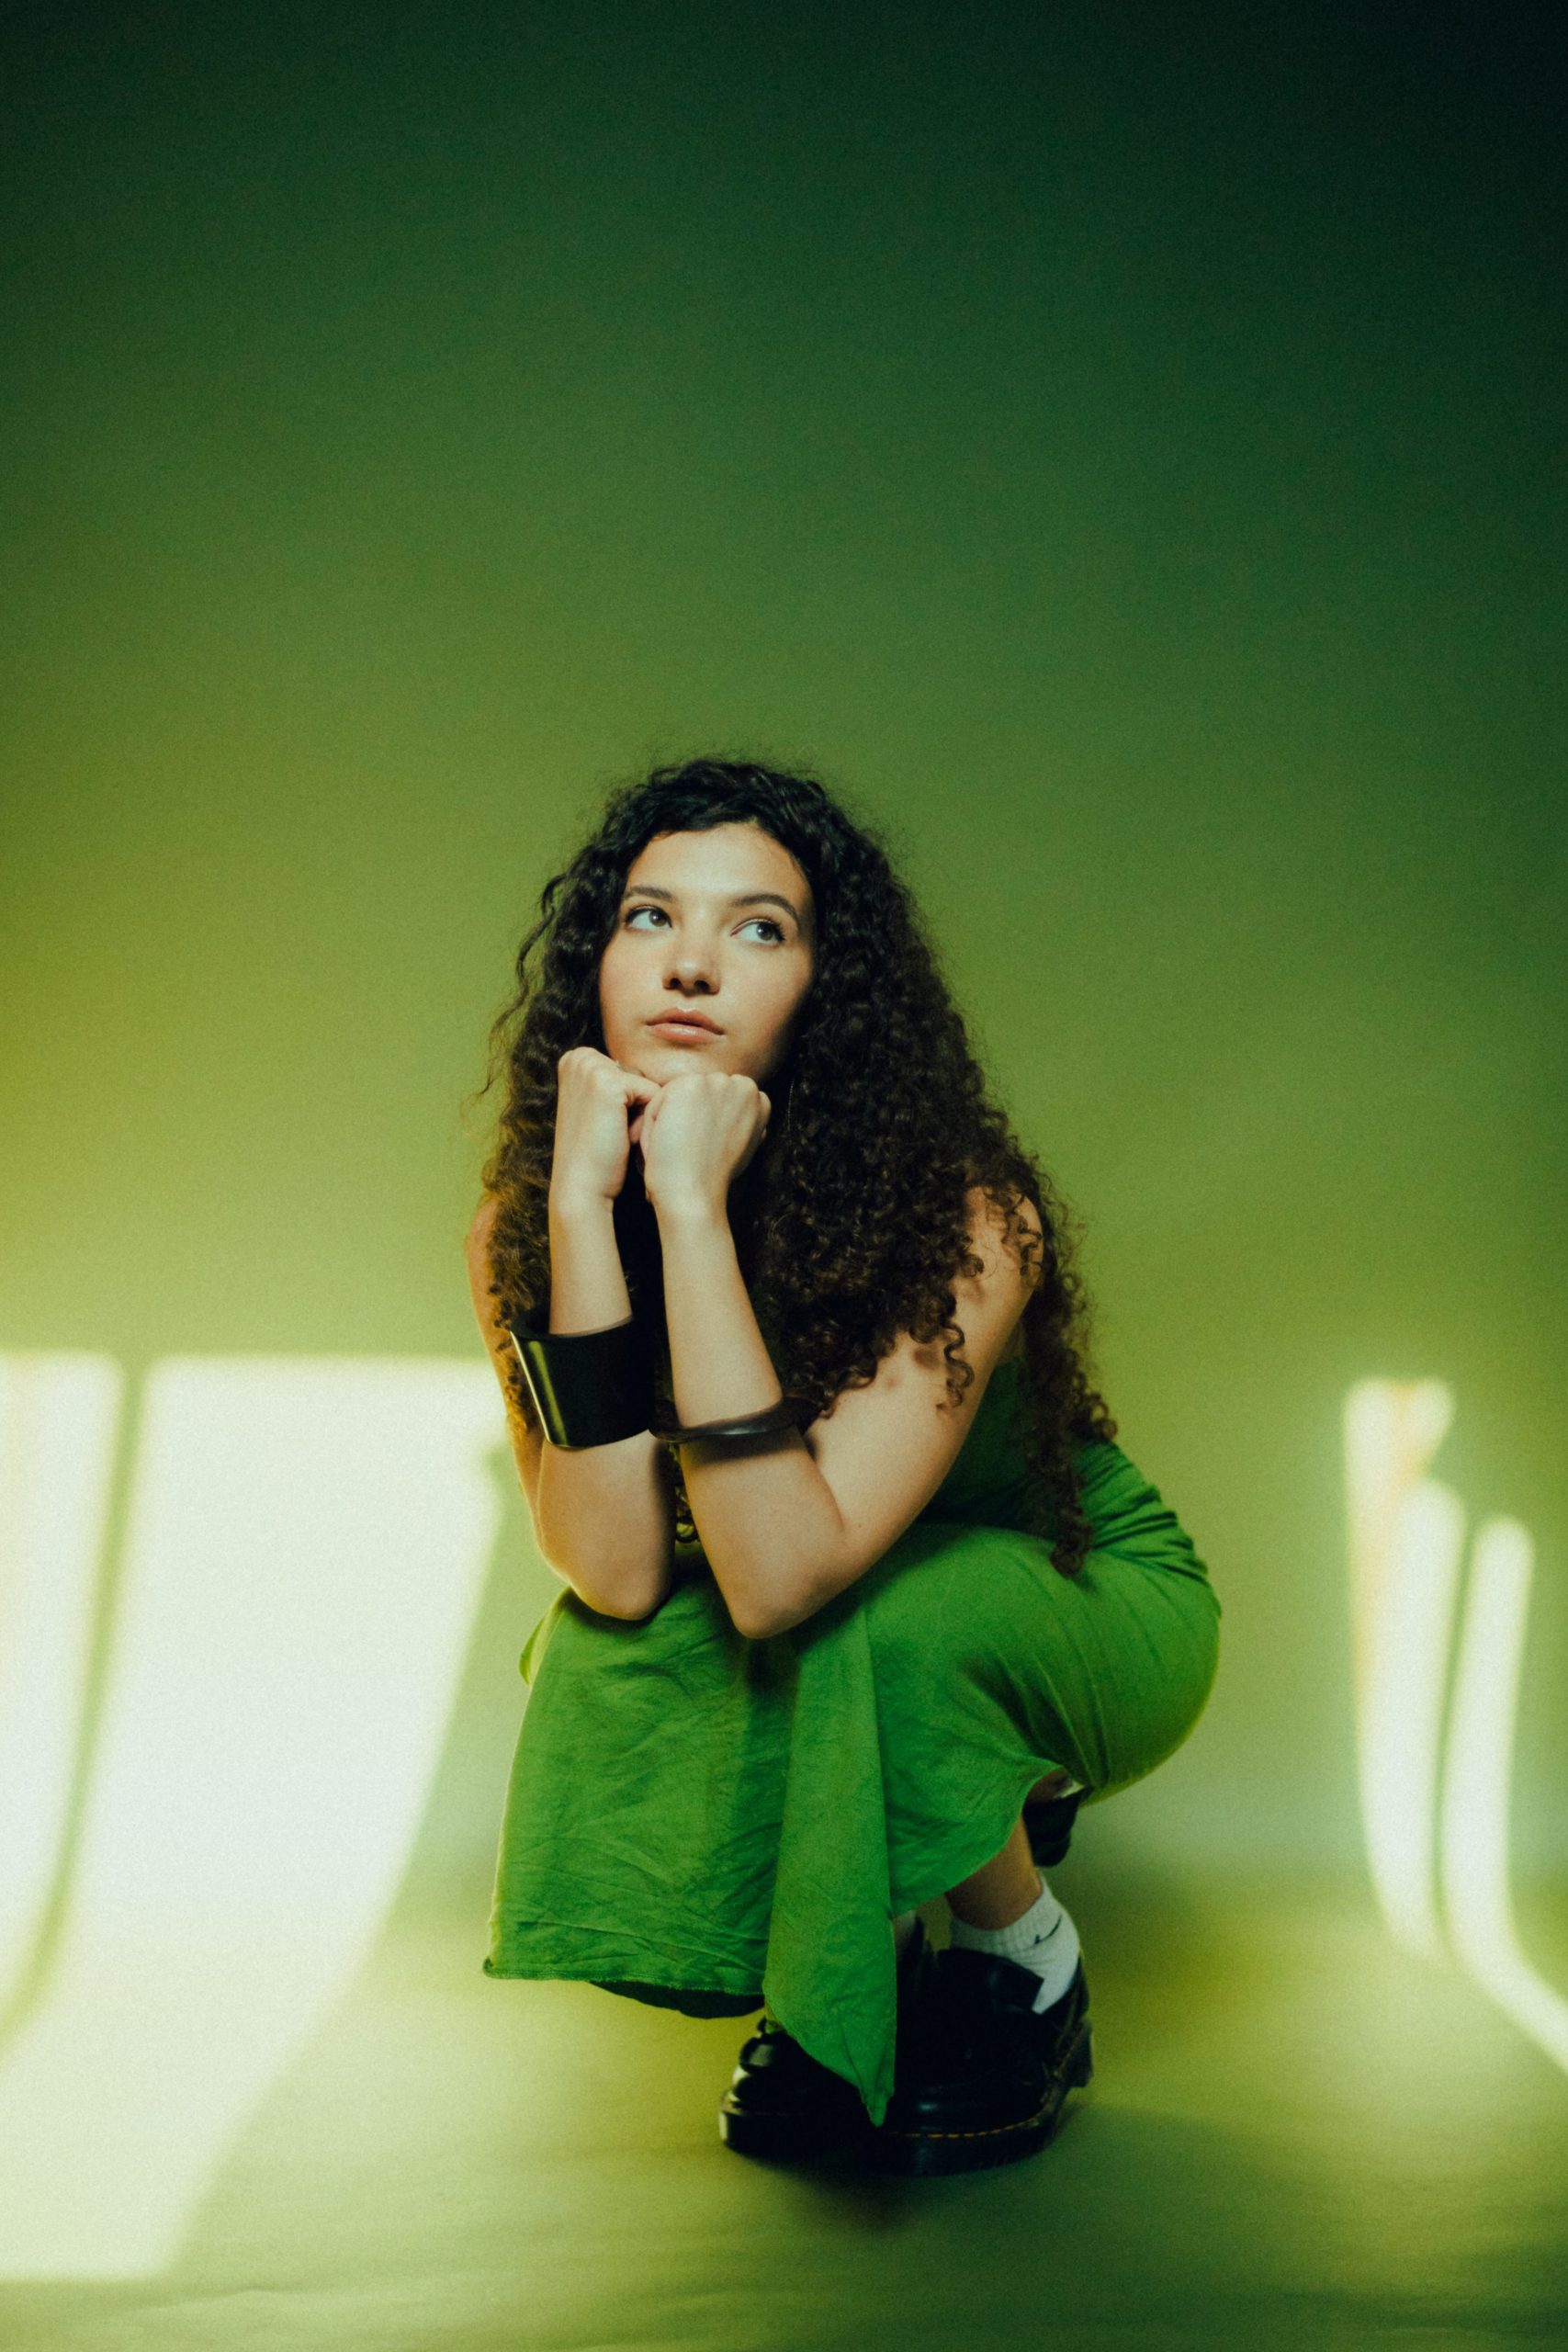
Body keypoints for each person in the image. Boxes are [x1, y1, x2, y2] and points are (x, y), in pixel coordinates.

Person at [463, 755, 1221, 2176]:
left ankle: (1024, 1957)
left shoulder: (966, 1217)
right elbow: (615, 1570)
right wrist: (581, 1211)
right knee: (609, 1644)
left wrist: (691, 1213)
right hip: (843, 1589)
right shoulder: (528, 1217)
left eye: (759, 928)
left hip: (1081, 1595)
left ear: (828, 991)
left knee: (864, 1617)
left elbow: (781, 1574)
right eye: (648, 917)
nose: (690, 963)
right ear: (597, 961)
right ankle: (850, 1963)